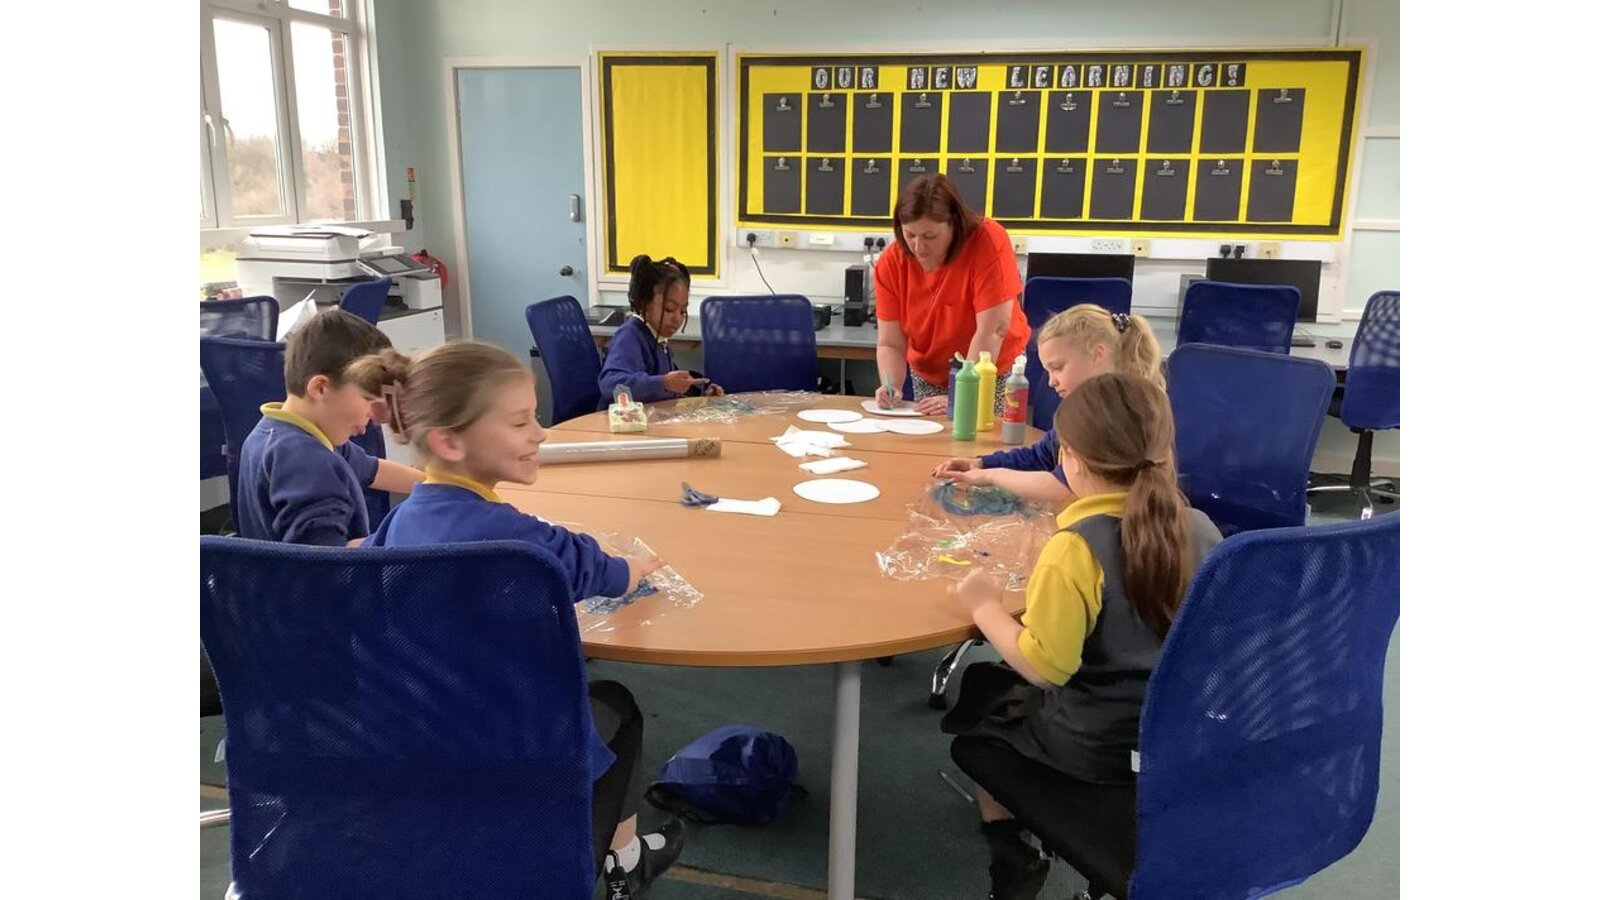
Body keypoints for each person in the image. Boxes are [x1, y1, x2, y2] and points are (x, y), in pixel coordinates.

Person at [352, 341, 685, 897]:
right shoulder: (513, 538)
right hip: (505, 749)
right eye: (519, 422)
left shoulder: (402, 520)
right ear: (449, 440)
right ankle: (623, 862)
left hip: (414, 742)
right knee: (618, 706)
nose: (540, 433)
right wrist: (634, 568)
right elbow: (591, 566)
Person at [942, 373, 1224, 899]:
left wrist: (984, 606)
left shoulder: (1074, 549)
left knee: (983, 698)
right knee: (998, 684)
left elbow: (1043, 668)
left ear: (1070, 458)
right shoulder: (1203, 528)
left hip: (1089, 748)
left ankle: (1010, 848)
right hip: (1173, 741)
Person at [933, 305, 1163, 506]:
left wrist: (991, 476)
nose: (1051, 382)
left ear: (1097, 354)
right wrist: (981, 463)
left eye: (1058, 367)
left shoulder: (1117, 412)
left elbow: (1063, 486)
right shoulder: (1082, 407)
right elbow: (1043, 456)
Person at [235, 308, 422, 546]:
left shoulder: (278, 432)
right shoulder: (307, 462)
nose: (375, 415)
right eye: (368, 398)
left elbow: (371, 469)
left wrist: (437, 484)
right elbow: (325, 559)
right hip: (328, 570)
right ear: (320, 388)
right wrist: (406, 539)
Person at [873, 174, 1030, 416]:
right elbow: (890, 343)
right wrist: (890, 385)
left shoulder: (987, 240)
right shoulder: (891, 262)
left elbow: (993, 330)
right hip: (931, 371)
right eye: (910, 235)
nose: (919, 247)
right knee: (935, 436)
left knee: (980, 434)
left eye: (930, 236)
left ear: (954, 223)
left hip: (989, 368)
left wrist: (961, 393)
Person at [599, 254, 723, 403]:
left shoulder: (660, 340)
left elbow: (666, 393)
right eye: (669, 309)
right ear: (644, 303)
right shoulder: (629, 336)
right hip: (621, 417)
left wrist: (702, 396)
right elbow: (610, 385)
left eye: (682, 311)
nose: (677, 318)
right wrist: (663, 382)